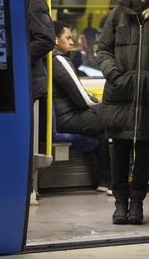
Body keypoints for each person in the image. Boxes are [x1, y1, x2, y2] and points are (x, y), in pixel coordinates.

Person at [97, 0, 149, 225]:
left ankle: (137, 203)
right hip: (121, 95)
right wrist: (115, 76)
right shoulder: (117, 15)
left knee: (145, 151)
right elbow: (103, 50)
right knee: (120, 150)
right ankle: (119, 203)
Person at [51, 20, 112, 194]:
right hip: (67, 118)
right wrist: (99, 104)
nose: (71, 42)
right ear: (56, 39)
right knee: (112, 115)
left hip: (65, 116)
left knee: (101, 127)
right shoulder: (59, 60)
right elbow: (81, 98)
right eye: (68, 38)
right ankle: (119, 179)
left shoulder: (53, 59)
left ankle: (106, 181)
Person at [24, 0, 56, 204]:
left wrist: (15, 64)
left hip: (26, 79)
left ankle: (27, 188)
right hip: (11, 80)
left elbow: (45, 39)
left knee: (21, 138)